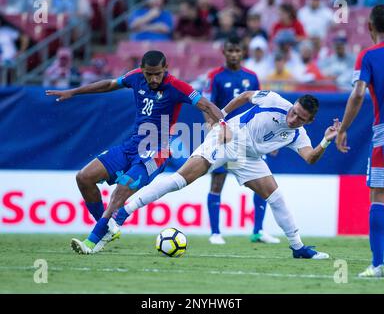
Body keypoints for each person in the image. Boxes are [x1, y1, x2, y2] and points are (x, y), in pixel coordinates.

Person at [95, 91, 339, 259]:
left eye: (300, 118)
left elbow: (310, 158)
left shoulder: (299, 135)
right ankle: (124, 211)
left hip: (248, 157)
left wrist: (326, 142)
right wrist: (219, 117)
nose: (293, 118)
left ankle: (297, 247)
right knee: (180, 180)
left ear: (310, 121)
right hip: (226, 137)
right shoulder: (274, 100)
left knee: (276, 197)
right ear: (293, 104)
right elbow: (244, 97)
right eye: (294, 111)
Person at [46, 50, 225, 254]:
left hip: (159, 152)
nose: (154, 78)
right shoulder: (135, 78)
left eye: (158, 73)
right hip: (132, 146)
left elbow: (207, 105)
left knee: (123, 187)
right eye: (149, 74)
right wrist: (74, 92)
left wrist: (224, 125)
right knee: (84, 177)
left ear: (166, 69)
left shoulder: (177, 86)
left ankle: (92, 241)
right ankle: (106, 229)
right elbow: (108, 84)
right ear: (142, 70)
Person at [202, 36, 280, 244]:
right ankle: (215, 233)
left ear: (242, 52)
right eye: (230, 51)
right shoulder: (215, 77)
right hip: (225, 134)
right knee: (218, 180)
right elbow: (206, 105)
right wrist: (213, 128)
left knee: (262, 182)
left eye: (237, 51)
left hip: (251, 137)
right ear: (224, 53)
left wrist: (268, 136)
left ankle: (258, 231)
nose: (234, 55)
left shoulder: (251, 77)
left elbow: (261, 107)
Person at [336, 5, 384, 277]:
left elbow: (357, 95)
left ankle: (378, 264)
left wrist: (343, 128)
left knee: (379, 195)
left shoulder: (368, 56)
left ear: (369, 27)